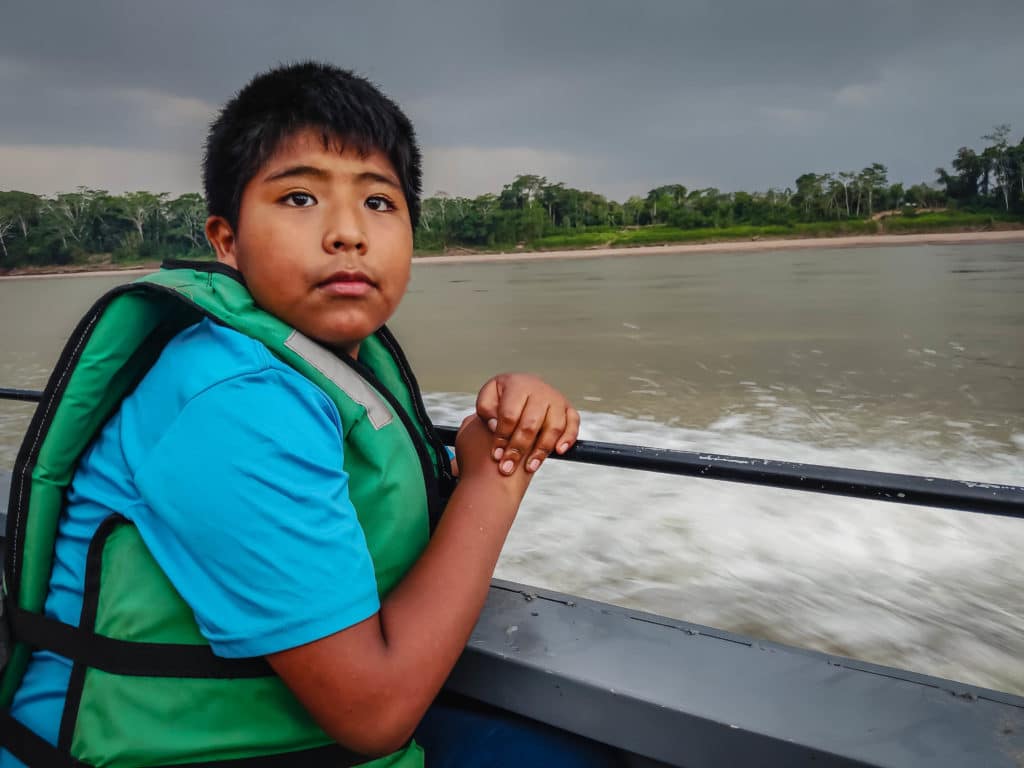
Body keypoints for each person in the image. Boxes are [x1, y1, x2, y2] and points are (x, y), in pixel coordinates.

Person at [0, 62, 619, 766]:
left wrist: (495, 420)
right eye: (299, 198)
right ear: (226, 239)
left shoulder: (315, 365)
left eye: (380, 203)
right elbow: (375, 714)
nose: (348, 233)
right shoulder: (234, 402)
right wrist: (495, 481)